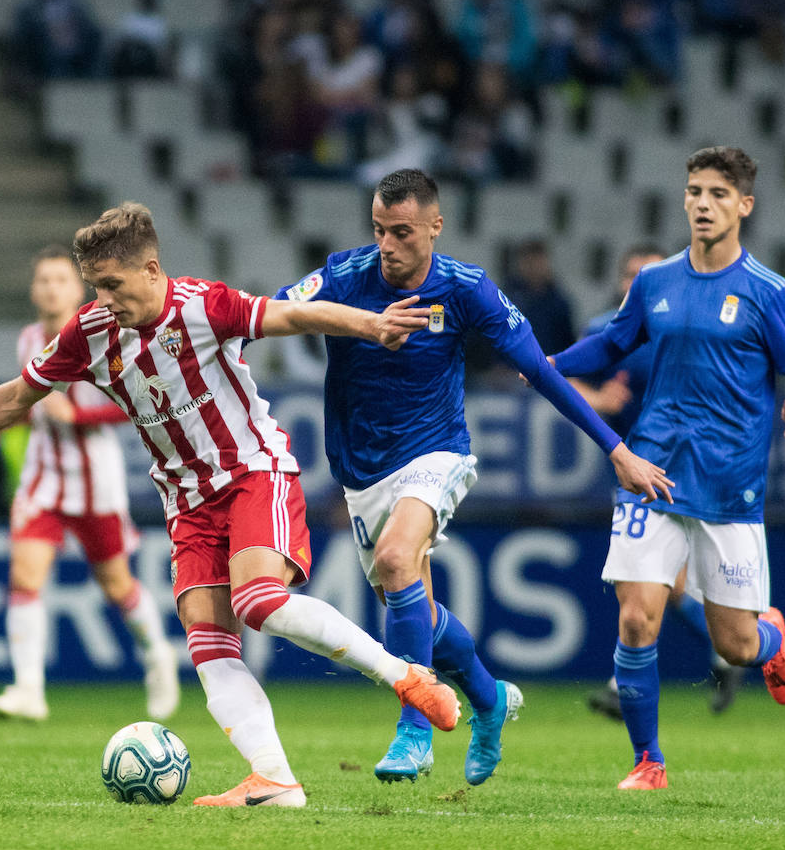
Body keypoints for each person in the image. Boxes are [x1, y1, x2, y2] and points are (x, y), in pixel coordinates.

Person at [0, 201, 463, 808]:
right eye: (96, 287)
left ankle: (407, 676)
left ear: (152, 270)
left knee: (257, 602)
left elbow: (294, 314)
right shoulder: (89, 332)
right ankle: (276, 780)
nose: (102, 300)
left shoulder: (204, 306)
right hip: (186, 503)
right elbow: (14, 398)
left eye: (113, 285)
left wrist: (372, 325)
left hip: (253, 474)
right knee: (208, 645)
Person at [276, 168, 673, 786]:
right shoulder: (344, 274)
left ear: (436, 226)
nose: (388, 245)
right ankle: (488, 702)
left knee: (397, 556)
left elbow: (540, 372)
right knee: (418, 610)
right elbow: (273, 313)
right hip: (360, 469)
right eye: (380, 230)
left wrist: (614, 448)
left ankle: (414, 730)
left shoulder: (467, 290)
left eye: (403, 232)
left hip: (437, 452)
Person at [551, 146, 785, 790]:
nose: (703, 203)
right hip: (653, 470)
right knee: (637, 615)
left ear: (744, 206)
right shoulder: (655, 282)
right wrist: (549, 361)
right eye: (695, 191)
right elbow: (613, 344)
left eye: (718, 194)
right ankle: (649, 763)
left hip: (730, 484)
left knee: (733, 644)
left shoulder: (768, 292)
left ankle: (770, 640)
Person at [0, 245, 179, 723]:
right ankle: (29, 688)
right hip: (43, 476)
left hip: (96, 479)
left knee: (116, 584)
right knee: (25, 576)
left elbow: (138, 401)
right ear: (34, 291)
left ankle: (159, 656)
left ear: (78, 289)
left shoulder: (106, 335)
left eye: (60, 280)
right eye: (43, 280)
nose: (51, 288)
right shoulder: (28, 338)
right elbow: (30, 402)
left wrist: (78, 415)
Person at [572, 243, 747, 720]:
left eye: (645, 275)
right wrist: (597, 399)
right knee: (660, 582)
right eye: (630, 275)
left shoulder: (694, 327)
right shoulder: (605, 330)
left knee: (652, 580)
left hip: (693, 470)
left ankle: (625, 683)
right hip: (635, 469)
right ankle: (728, 647)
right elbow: (564, 380)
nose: (636, 284)